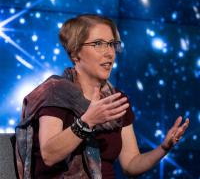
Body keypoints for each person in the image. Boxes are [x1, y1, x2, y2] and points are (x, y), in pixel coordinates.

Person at [15, 14, 189, 179]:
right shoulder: (56, 91)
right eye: (98, 44)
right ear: (75, 53)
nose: (109, 53)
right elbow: (49, 155)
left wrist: (163, 148)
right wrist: (87, 122)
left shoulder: (117, 100)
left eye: (112, 44)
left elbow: (130, 165)